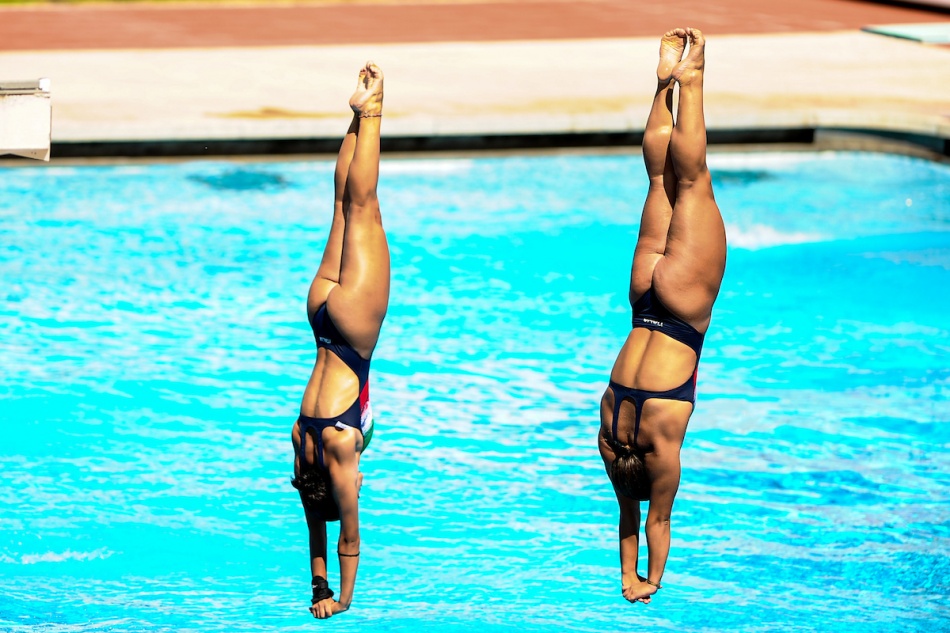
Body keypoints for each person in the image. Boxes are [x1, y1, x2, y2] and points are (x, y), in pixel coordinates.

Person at [598, 28, 726, 605]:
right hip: (644, 302)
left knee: (692, 182)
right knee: (657, 180)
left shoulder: (658, 449)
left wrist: (650, 581)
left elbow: (655, 521)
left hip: (680, 311)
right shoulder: (608, 440)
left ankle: (691, 77)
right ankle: (661, 86)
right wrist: (626, 575)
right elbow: (627, 518)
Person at [290, 61, 389, 619]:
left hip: (352, 333)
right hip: (322, 321)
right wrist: (317, 588)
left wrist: (343, 599)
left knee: (363, 210)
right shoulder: (303, 454)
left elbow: (347, 536)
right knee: (340, 208)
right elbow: (317, 532)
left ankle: (371, 112)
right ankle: (353, 119)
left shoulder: (339, 451)